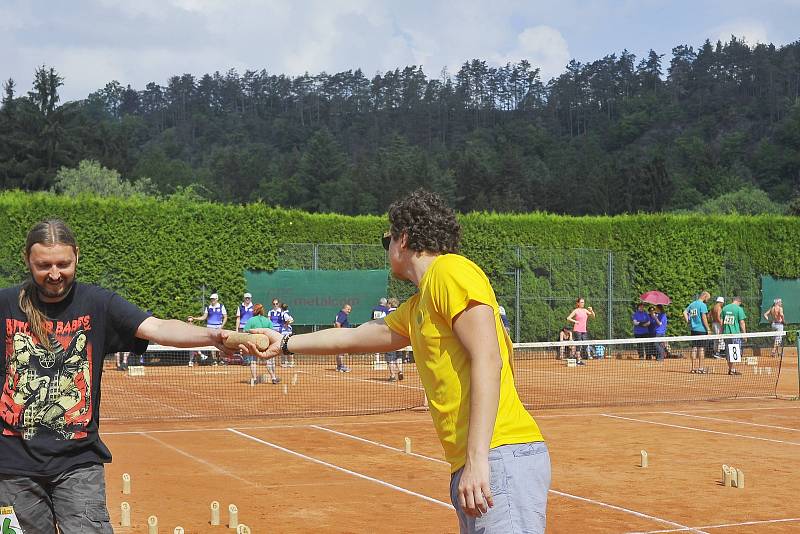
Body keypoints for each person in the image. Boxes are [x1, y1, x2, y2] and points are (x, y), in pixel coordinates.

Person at [258, 190, 549, 533]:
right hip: (478, 460)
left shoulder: (450, 271)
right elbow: (352, 337)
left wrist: (477, 460)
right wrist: (286, 343)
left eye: (387, 240)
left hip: (497, 454)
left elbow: (488, 358)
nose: (387, 250)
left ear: (404, 239)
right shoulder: (418, 306)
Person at [0, 218, 268, 534]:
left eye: (63, 263)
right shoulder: (5, 304)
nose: (55, 274)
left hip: (78, 463)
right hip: (12, 468)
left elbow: (158, 327)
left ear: (77, 256)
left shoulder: (98, 303)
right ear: (27, 260)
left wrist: (214, 337)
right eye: (44, 265)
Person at [243, 304, 280, 385]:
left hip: (254, 344)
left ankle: (254, 379)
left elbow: (245, 331)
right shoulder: (268, 321)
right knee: (269, 362)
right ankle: (273, 377)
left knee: (253, 361)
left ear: (254, 311)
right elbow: (271, 332)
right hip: (266, 344)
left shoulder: (251, 320)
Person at [187, 293, 227, 366]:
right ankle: (214, 360)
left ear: (217, 299)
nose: (212, 301)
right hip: (210, 328)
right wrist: (195, 318)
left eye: (214, 299)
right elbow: (204, 317)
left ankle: (221, 359)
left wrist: (221, 326)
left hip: (218, 328)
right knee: (213, 344)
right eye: (211, 299)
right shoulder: (208, 307)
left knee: (220, 344)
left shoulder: (221, 307)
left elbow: (225, 317)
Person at [683, 291, 711, 374]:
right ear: (705, 296)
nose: (707, 300)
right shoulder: (703, 305)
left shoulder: (692, 304)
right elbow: (704, 318)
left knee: (694, 348)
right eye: (707, 298)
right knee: (701, 349)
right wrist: (708, 329)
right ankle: (701, 368)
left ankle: (693, 368)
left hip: (693, 330)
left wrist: (688, 321)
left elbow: (684, 312)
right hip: (701, 330)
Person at [721, 296, 746, 375]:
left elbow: (721, 322)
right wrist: (745, 334)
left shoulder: (724, 308)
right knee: (735, 352)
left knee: (728, 352)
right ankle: (733, 369)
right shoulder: (739, 309)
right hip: (735, 334)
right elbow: (742, 322)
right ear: (739, 302)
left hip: (726, 334)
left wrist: (721, 333)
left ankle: (731, 369)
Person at [566, 297, 595, 363]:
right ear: (578, 303)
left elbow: (593, 316)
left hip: (584, 330)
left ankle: (579, 357)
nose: (583, 303)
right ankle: (578, 360)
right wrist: (575, 321)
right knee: (578, 345)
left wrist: (591, 310)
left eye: (583, 302)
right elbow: (568, 318)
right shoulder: (576, 311)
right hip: (577, 330)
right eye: (581, 302)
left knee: (585, 344)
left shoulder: (585, 310)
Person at [384, 297, 404, 381]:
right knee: (399, 356)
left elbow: (383, 325)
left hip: (390, 339)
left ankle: (392, 375)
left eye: (387, 304)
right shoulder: (401, 312)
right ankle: (400, 371)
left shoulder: (387, 313)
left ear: (390, 304)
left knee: (390, 357)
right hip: (401, 339)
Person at [371, 297, 389, 374]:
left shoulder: (374, 308)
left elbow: (372, 319)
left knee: (376, 344)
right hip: (383, 328)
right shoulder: (386, 309)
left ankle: (377, 360)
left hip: (375, 327)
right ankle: (387, 359)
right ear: (385, 303)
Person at [334, 304, 352, 372]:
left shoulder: (339, 313)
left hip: (339, 334)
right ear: (344, 308)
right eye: (348, 309)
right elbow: (338, 323)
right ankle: (341, 366)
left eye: (350, 310)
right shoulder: (343, 314)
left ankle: (339, 366)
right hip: (342, 335)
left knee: (339, 351)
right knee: (341, 351)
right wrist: (340, 333)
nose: (349, 311)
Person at [280, 302, 295, 367]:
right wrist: (288, 323)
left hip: (286, 332)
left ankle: (288, 362)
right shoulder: (285, 313)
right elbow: (290, 320)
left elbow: (288, 321)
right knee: (287, 347)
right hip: (286, 331)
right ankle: (287, 362)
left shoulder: (285, 314)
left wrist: (287, 324)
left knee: (285, 347)